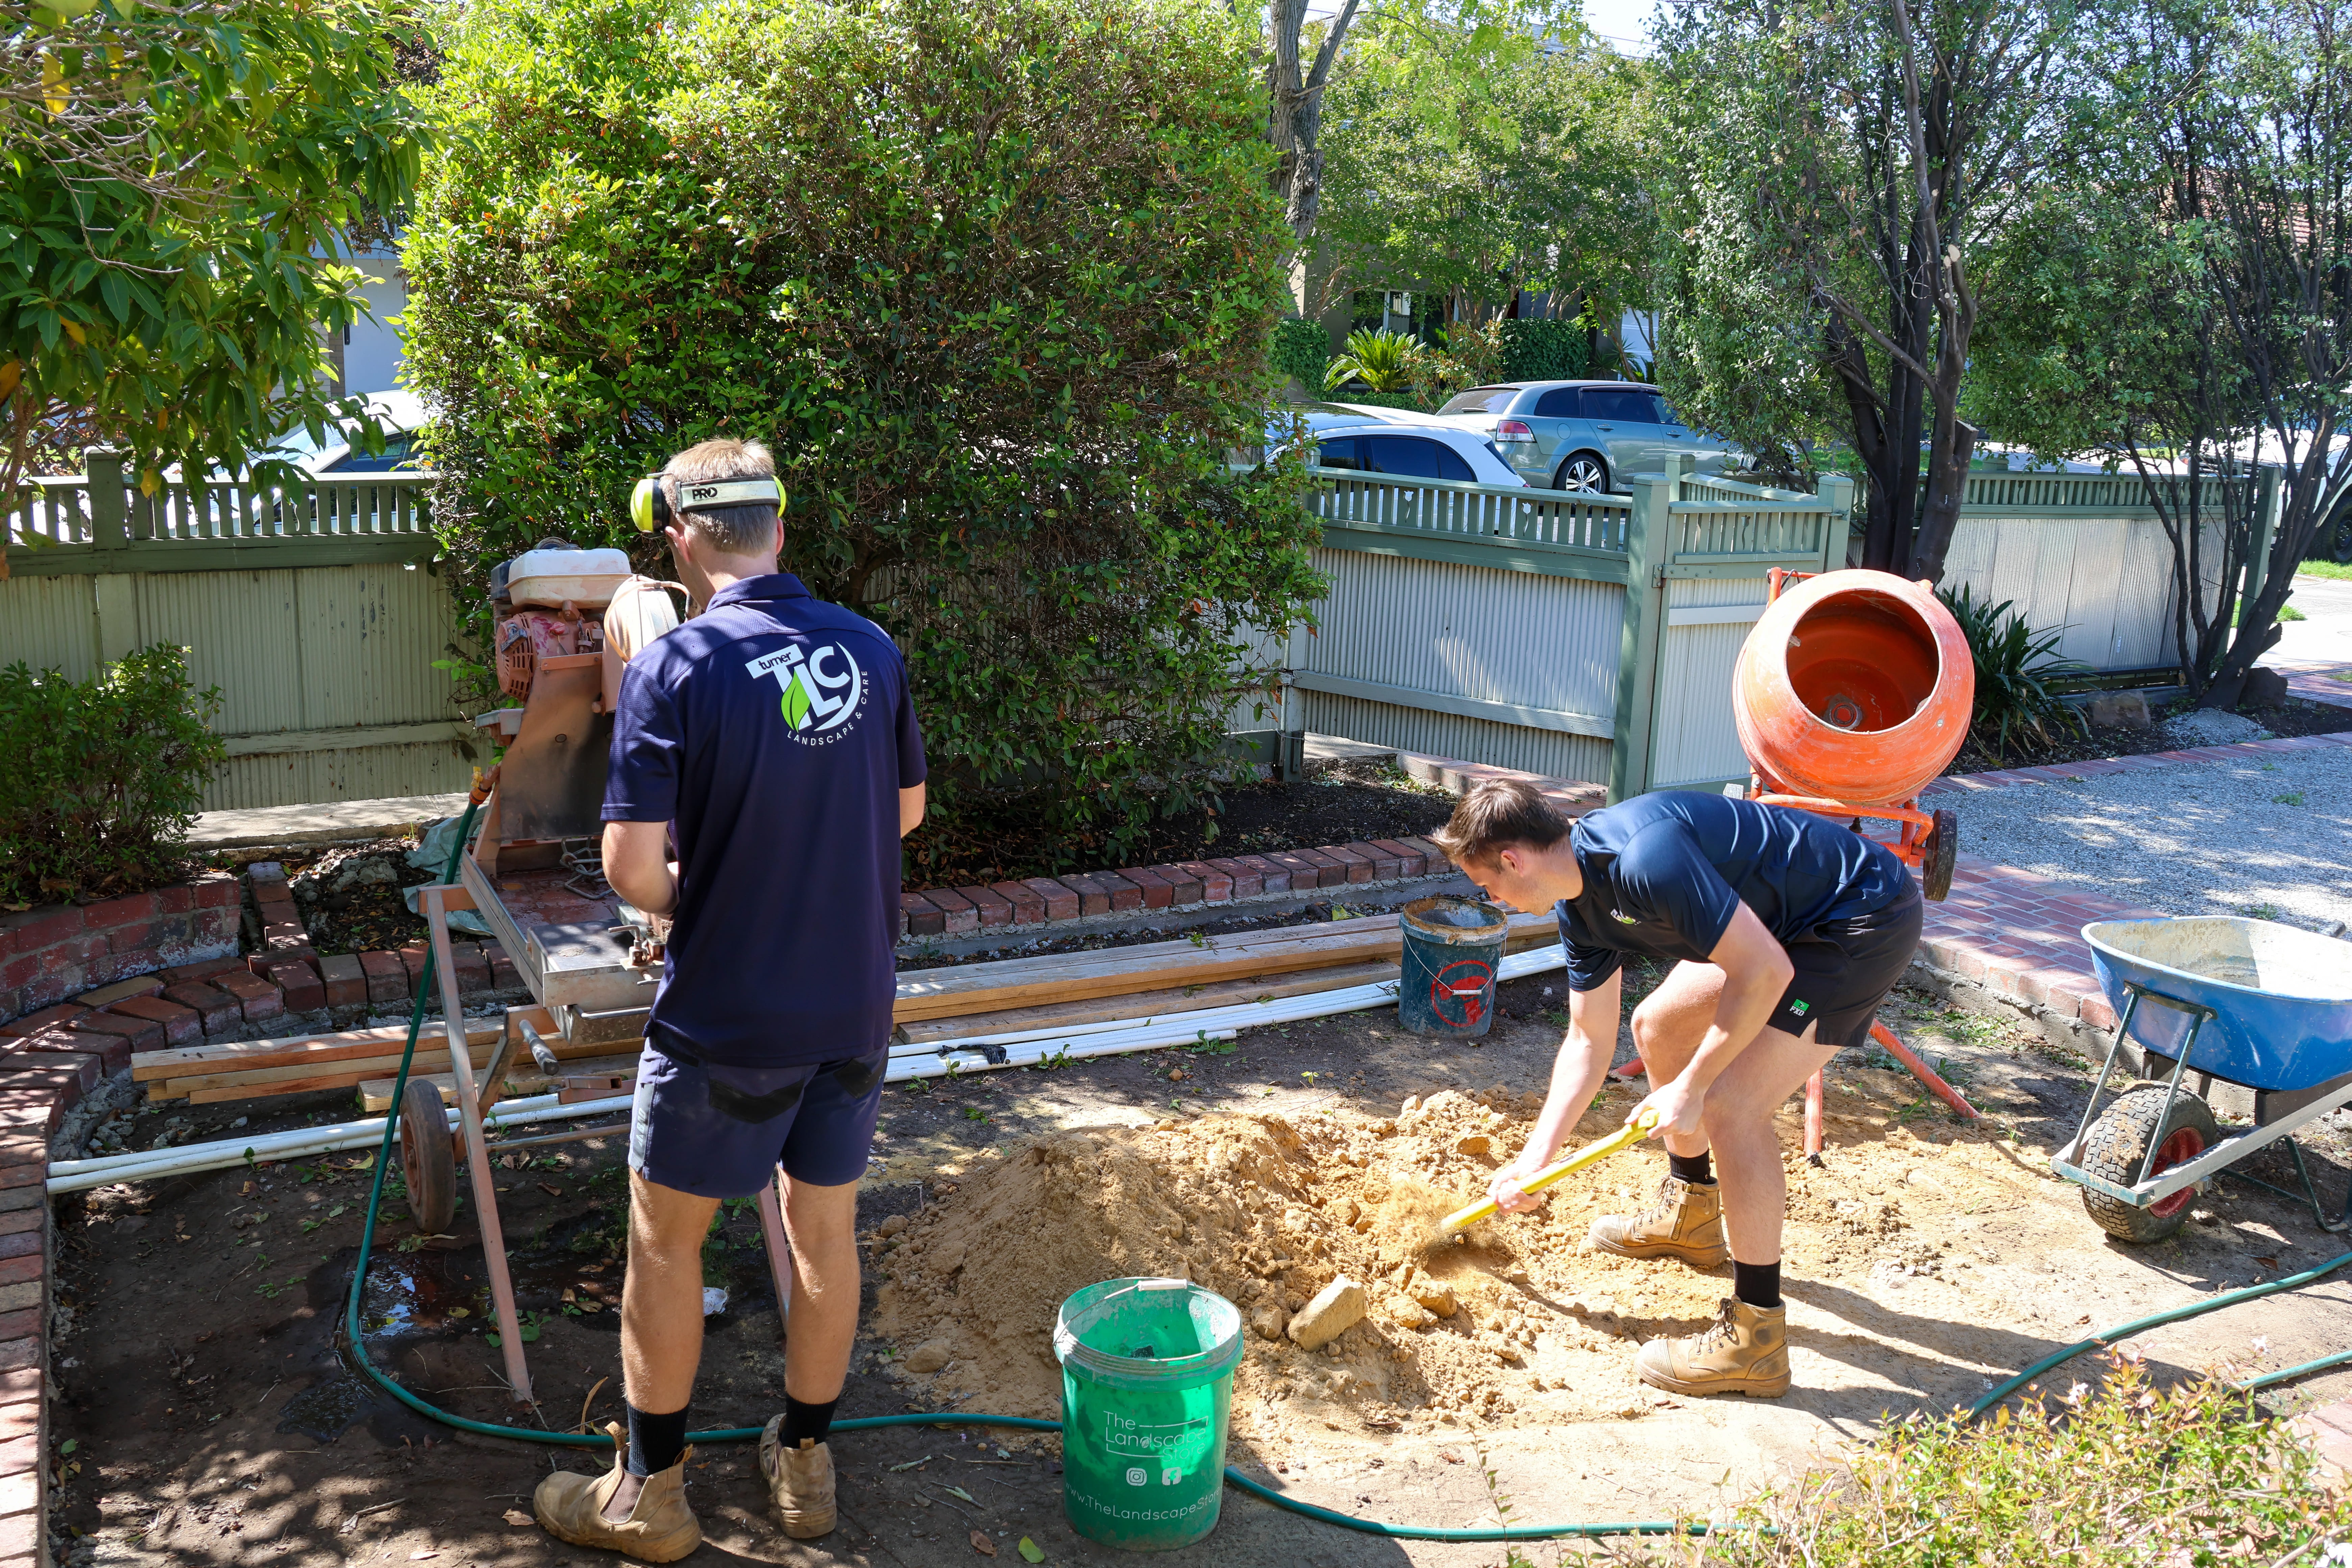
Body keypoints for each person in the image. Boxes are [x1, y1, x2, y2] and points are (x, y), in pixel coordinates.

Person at [533, 438, 927, 1559]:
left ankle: (649, 1495)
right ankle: (805, 1464)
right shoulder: (870, 648)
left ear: (681, 535)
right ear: (781, 526)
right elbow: (903, 814)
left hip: (728, 1021)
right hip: (852, 1006)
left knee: (666, 1246)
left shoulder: (679, 667)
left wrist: (701, 892)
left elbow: (630, 869)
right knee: (825, 1229)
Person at [1430, 777, 1922, 1398]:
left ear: (1512, 859)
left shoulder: (1645, 860)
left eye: (1488, 885)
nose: (1495, 899)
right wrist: (1534, 1161)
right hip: (1782, 925)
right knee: (1656, 1024)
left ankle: (1755, 1339)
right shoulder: (1579, 911)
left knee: (1730, 1105)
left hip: (1857, 916)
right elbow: (1588, 1041)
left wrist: (1692, 1085)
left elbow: (1765, 971)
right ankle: (1692, 1211)